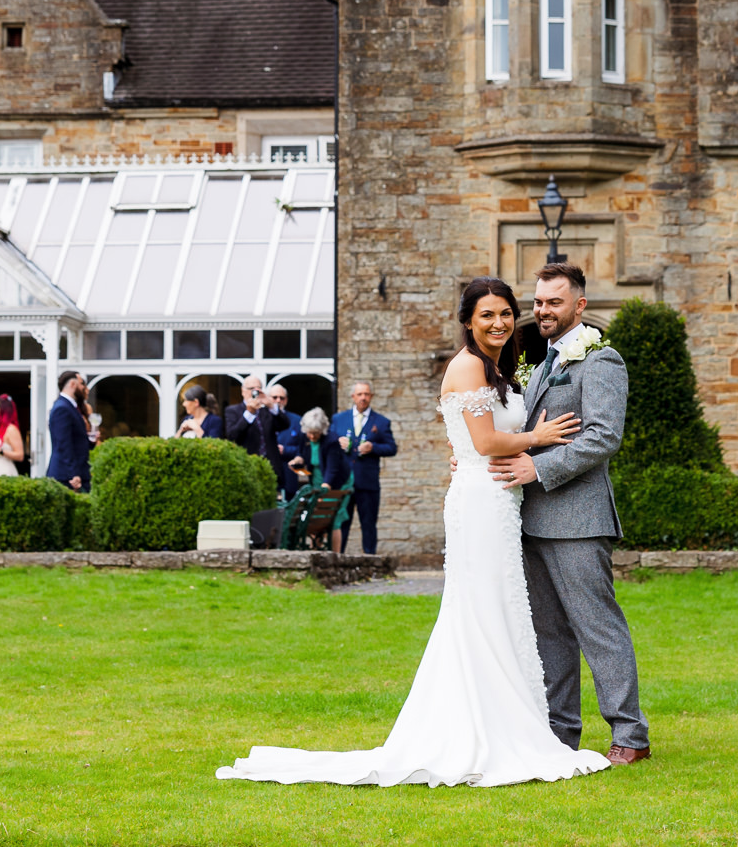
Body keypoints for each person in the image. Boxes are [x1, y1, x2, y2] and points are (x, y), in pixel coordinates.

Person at [216, 275, 604, 788]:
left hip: (498, 501)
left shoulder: (497, 368)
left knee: (498, 609)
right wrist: (539, 436)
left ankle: (507, 720)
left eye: (506, 313)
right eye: (487, 315)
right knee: (483, 610)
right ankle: (484, 730)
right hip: (483, 501)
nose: (499, 322)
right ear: (468, 321)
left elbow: (473, 440)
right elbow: (486, 442)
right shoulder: (467, 366)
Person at [488, 262, 649, 765]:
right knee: (549, 633)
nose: (542, 311)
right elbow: (520, 433)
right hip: (530, 521)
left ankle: (630, 735)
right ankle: (561, 736)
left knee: (597, 626)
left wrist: (540, 470)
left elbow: (603, 436)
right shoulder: (540, 364)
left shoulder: (601, 360)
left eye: (553, 303)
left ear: (579, 305)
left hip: (577, 520)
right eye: (537, 302)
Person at [330, 381, 398, 555]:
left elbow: (392, 448)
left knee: (368, 523)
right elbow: (327, 445)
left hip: (367, 482)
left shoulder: (381, 422)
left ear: (371, 397)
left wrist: (373, 447)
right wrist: (337, 443)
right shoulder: (339, 419)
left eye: (366, 394)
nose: (363, 398)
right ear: (353, 396)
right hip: (344, 482)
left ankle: (370, 560)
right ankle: (338, 558)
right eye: (360, 394)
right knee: (342, 523)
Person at [226, 378, 288, 497]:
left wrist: (271, 405)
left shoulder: (267, 410)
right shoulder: (233, 411)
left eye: (258, 388)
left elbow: (285, 424)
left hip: (270, 470)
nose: (255, 392)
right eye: (251, 389)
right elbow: (232, 435)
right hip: (247, 469)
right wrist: (249, 413)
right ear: (243, 391)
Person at [45, 371, 91, 492]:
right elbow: (64, 444)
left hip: (73, 473)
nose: (84, 387)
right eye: (82, 383)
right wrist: (73, 474)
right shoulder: (62, 408)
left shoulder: (71, 407)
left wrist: (90, 440)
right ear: (72, 384)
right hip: (66, 476)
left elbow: (76, 439)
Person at [287, 407, 335, 490]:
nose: (312, 436)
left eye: (316, 433)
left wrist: (325, 488)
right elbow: (301, 452)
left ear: (322, 430)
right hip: (315, 481)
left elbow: (332, 469)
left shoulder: (331, 441)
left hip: (333, 483)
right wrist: (297, 460)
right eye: (310, 433)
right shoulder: (304, 436)